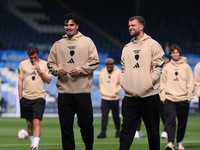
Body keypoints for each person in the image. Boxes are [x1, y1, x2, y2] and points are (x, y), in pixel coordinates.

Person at [47, 13, 99, 150]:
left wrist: (79, 70)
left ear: (77, 26)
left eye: (71, 25)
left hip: (82, 92)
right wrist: (58, 70)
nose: (68, 27)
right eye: (66, 25)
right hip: (64, 93)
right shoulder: (57, 45)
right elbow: (50, 65)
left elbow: (94, 63)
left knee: (86, 125)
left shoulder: (87, 42)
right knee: (66, 127)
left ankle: (89, 148)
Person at [119, 15, 165, 150]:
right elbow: (123, 68)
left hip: (149, 97)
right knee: (126, 132)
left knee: (153, 132)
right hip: (130, 97)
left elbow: (158, 66)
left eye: (133, 25)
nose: (130, 28)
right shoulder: (126, 47)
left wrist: (148, 84)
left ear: (141, 26)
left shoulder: (153, 44)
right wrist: (125, 83)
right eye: (129, 26)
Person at [160, 44, 195, 150]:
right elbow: (162, 83)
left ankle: (179, 142)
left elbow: (190, 83)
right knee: (170, 121)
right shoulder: (167, 67)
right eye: (173, 52)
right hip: (169, 99)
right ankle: (170, 142)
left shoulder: (186, 67)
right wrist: (163, 97)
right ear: (170, 54)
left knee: (182, 122)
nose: (175, 54)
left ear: (179, 53)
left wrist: (189, 98)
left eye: (177, 52)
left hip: (183, 99)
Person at [17, 46, 52, 150]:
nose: (33, 60)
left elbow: (49, 80)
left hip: (39, 97)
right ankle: (33, 144)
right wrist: (20, 96)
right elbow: (20, 80)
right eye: (31, 58)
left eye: (35, 57)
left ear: (38, 55)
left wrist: (39, 70)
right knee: (29, 123)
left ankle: (35, 146)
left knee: (37, 121)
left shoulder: (45, 64)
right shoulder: (23, 64)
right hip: (26, 97)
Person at [97, 58, 123, 138]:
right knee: (104, 116)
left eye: (110, 67)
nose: (109, 68)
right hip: (104, 98)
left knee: (116, 116)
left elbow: (122, 83)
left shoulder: (118, 72)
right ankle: (103, 132)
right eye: (107, 67)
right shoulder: (102, 72)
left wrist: (116, 91)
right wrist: (102, 90)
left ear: (112, 65)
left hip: (114, 98)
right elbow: (100, 83)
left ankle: (118, 131)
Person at [160, 57, 170, 139]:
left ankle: (166, 130)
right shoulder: (159, 73)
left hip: (168, 96)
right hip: (159, 96)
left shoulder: (171, 73)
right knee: (161, 115)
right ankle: (166, 130)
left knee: (166, 115)